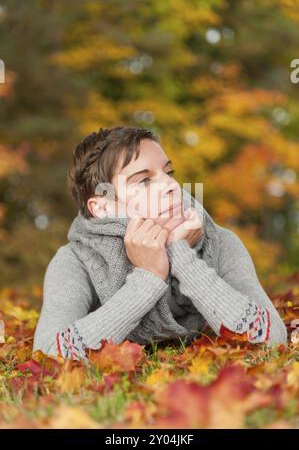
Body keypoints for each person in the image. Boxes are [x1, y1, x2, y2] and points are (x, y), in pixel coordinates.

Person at [32, 126, 288, 363]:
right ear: (102, 206)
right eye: (144, 180)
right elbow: (49, 357)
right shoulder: (75, 260)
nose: (171, 186)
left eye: (168, 172)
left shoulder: (218, 241)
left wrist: (183, 257)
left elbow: (271, 339)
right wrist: (149, 278)